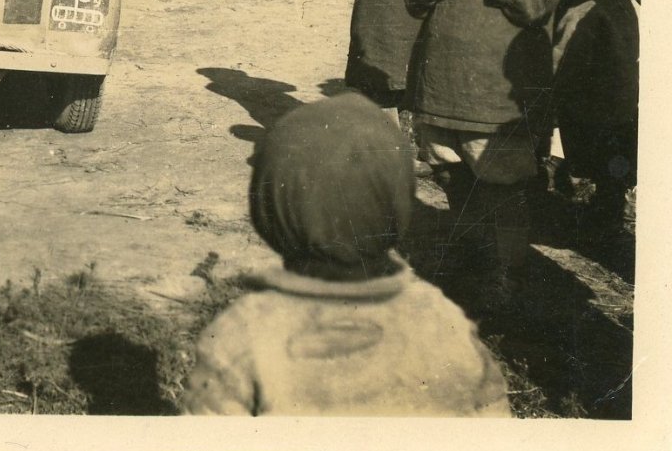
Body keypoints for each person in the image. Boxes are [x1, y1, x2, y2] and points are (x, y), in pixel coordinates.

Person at [181, 93, 510, 417]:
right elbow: (494, 423)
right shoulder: (441, 321)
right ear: (399, 206)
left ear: (266, 211)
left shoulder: (242, 335)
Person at [406, 0, 558, 308]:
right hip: (444, 91)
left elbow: (540, 3)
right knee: (452, 174)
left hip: (492, 101)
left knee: (501, 185)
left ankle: (508, 272)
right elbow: (415, 1)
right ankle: (473, 253)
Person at [554, 0, 639, 237]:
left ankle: (594, 225)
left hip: (589, 114)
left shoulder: (583, 13)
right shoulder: (627, 4)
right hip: (623, 113)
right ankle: (608, 223)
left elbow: (561, 62)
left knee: (593, 167)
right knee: (613, 175)